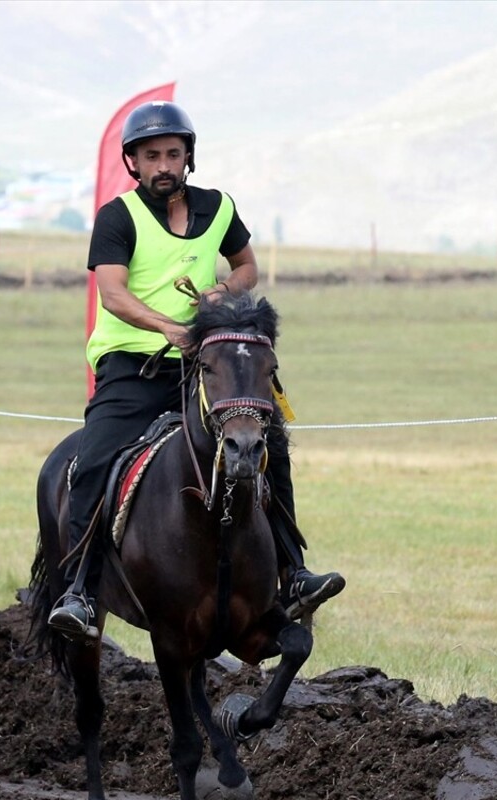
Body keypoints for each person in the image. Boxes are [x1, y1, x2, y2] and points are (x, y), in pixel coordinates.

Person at [47, 100, 344, 641]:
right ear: (133, 162)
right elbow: (111, 293)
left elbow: (247, 266)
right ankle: (80, 590)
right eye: (152, 155)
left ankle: (293, 574)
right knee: (92, 458)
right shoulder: (119, 217)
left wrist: (224, 290)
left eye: (173, 154)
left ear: (188, 158)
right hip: (131, 366)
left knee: (269, 441)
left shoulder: (218, 208)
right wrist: (167, 327)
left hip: (204, 366)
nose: (164, 164)